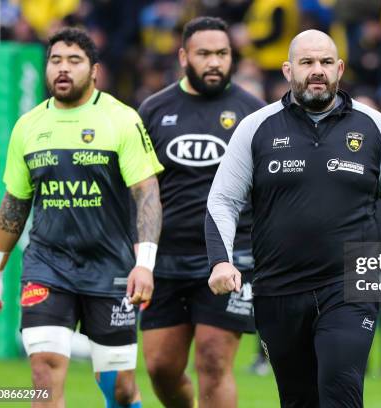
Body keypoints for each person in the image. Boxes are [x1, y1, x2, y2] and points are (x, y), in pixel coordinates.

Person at [206, 29, 381, 407]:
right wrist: (221, 260)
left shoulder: (374, 126)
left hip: (350, 286)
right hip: (278, 290)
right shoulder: (256, 127)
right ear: (289, 70)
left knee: (340, 388)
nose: (317, 70)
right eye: (307, 62)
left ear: (339, 68)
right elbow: (222, 200)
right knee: (298, 400)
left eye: (325, 62)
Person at [0, 27, 163, 407]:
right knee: (44, 373)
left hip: (110, 268)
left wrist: (144, 264)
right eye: (55, 61)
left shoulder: (121, 120)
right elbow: (15, 202)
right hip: (47, 266)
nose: (62, 69)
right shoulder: (28, 127)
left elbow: (146, 194)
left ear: (94, 71)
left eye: (74, 61)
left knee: (118, 387)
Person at [137, 17, 265, 408]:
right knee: (161, 367)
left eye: (222, 54)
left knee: (212, 360)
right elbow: (141, 190)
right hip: (166, 258)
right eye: (204, 53)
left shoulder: (254, 113)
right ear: (183, 57)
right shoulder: (153, 111)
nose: (214, 62)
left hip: (231, 256)